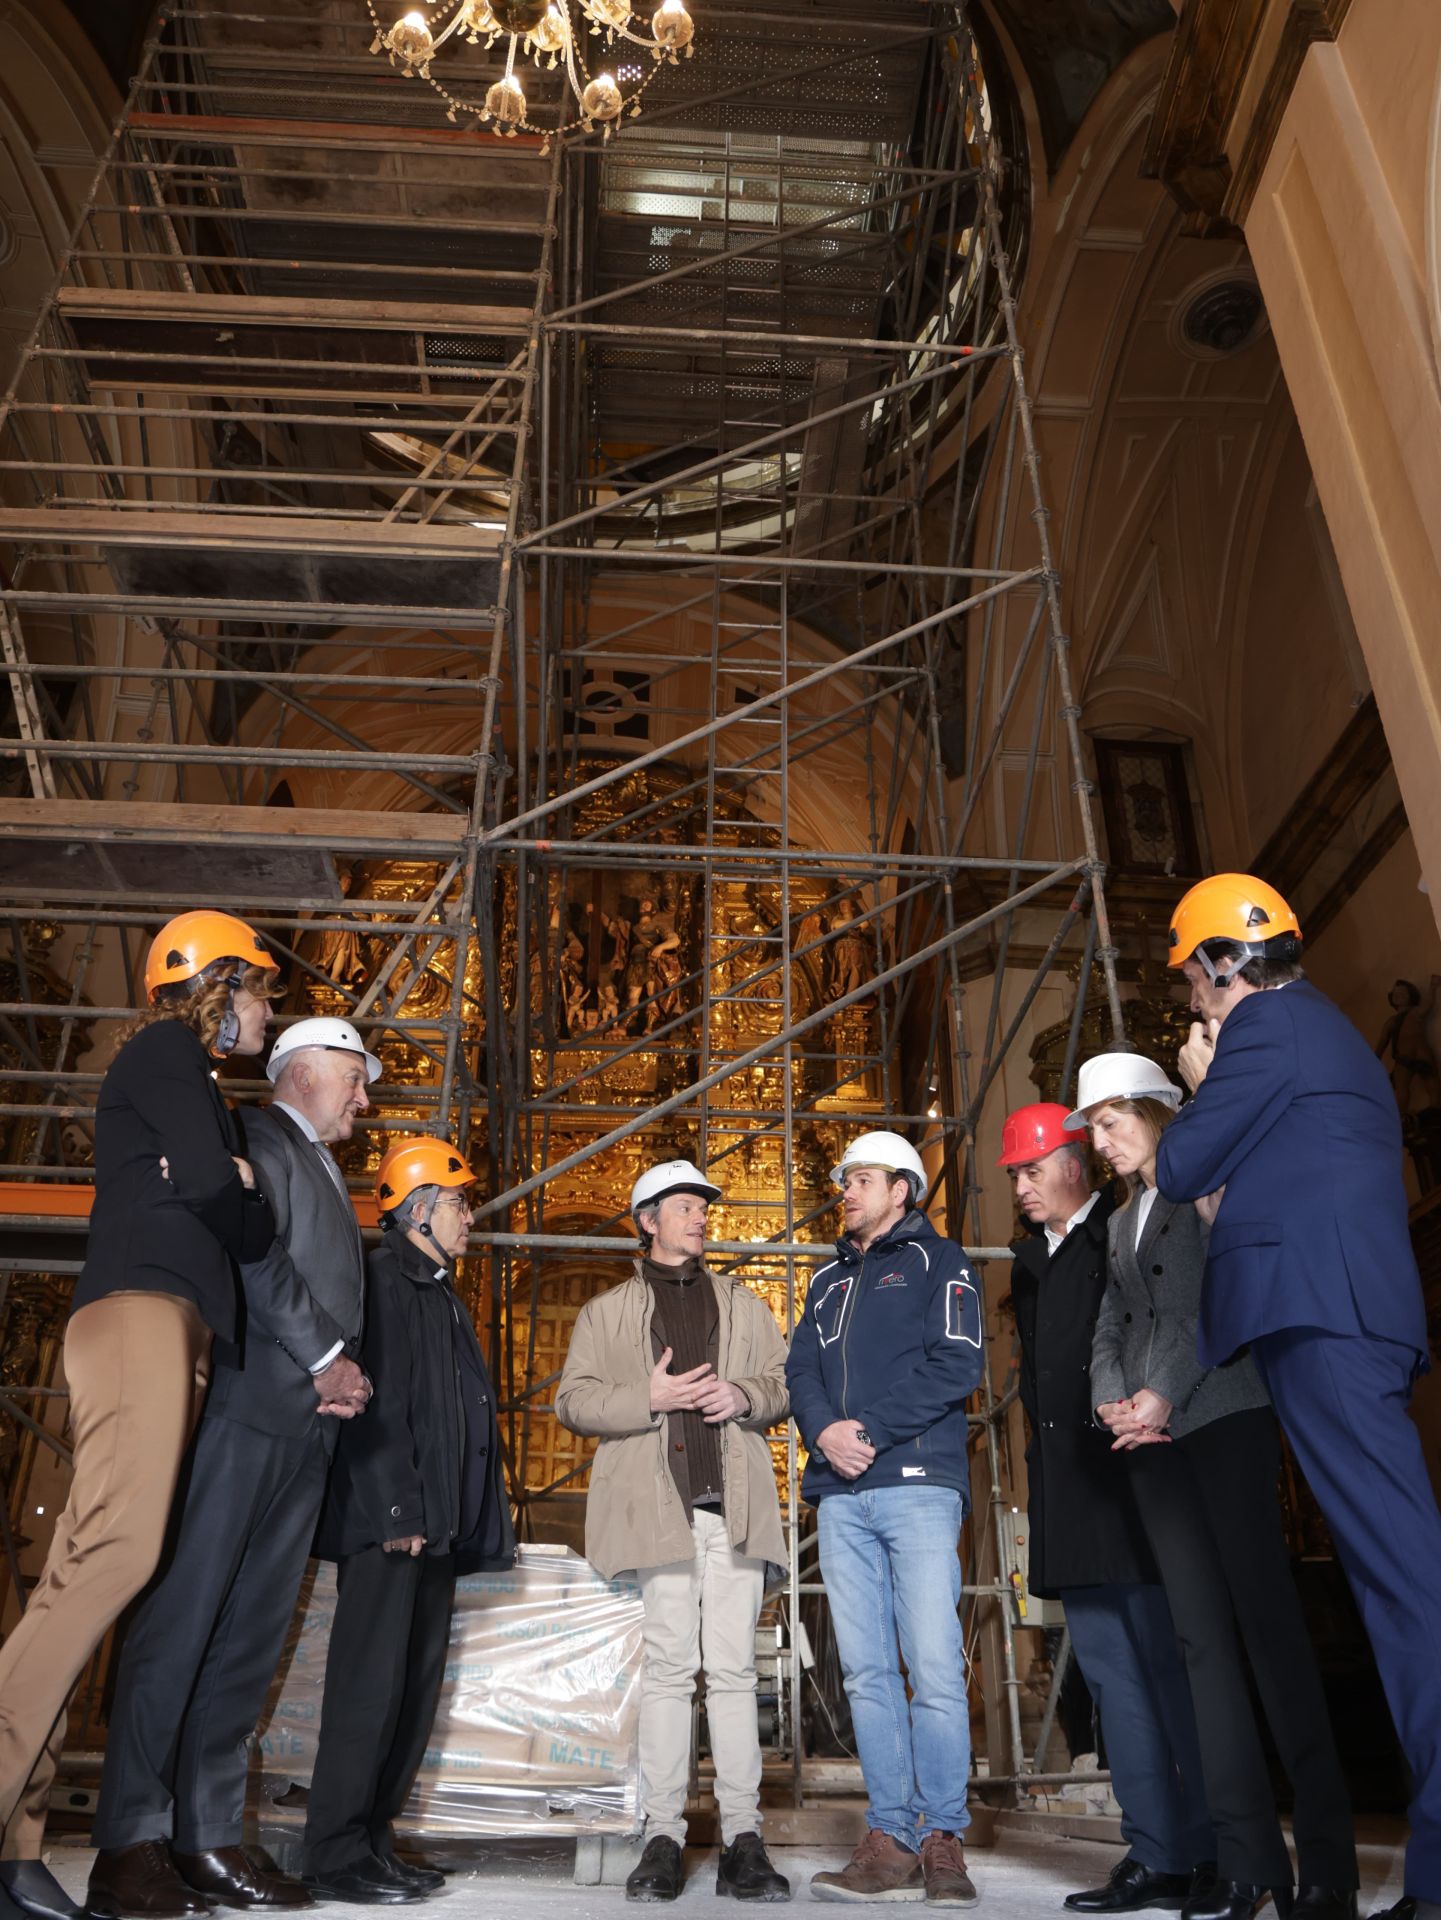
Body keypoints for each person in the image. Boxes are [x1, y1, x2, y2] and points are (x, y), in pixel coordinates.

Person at [1155, 873, 1441, 1920]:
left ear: (1228, 961)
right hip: (1330, 1317)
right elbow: (1251, 1188)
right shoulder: (1312, 1037)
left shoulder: (1267, 1031)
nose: (1190, 999)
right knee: (1394, 1581)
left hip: (1327, 1322)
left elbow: (1181, 1164)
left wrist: (1202, 1074)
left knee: (1405, 1586)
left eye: (1193, 975)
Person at [0, 912, 280, 1920]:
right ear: (220, 984)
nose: (269, 1008)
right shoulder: (164, 1053)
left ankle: (17, 1844)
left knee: (93, 1564)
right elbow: (230, 1204)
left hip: (172, 1322)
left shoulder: (197, 1089)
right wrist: (231, 1185)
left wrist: (233, 1189)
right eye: (261, 990)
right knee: (113, 1559)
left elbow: (234, 1208)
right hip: (140, 1317)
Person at [87, 1017, 380, 1917]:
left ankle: (205, 1836)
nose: (365, 1101)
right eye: (353, 1079)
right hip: (248, 1412)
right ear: (300, 1073)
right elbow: (257, 1263)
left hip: (302, 1427)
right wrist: (328, 1354)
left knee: (246, 1642)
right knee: (184, 1623)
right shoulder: (256, 1141)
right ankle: (127, 1841)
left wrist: (333, 1380)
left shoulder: (317, 1165)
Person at [1075, 1047, 1357, 1920]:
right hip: (1152, 1443)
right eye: (1092, 1128)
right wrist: (1111, 1401)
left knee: (1269, 1634)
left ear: (1156, 1112)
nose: (1101, 1143)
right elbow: (1109, 1322)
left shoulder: (1207, 1187)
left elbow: (1209, 1298)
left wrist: (1160, 1392)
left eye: (1112, 1123)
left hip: (1222, 1420)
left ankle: (1328, 1870)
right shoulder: (1120, 1221)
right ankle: (1247, 1866)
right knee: (1199, 1645)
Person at [555, 1159, 791, 1905]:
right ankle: (660, 1835)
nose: (699, 1217)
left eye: (702, 1207)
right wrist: (648, 1396)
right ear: (647, 1219)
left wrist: (744, 1394)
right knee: (666, 1672)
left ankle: (742, 1839)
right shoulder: (606, 1312)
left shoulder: (745, 1306)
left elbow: (784, 1384)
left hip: (732, 1509)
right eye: (685, 1206)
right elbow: (573, 1400)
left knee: (731, 1673)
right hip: (659, 1512)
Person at [999, 1099, 1213, 1915]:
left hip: (1133, 1478)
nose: (1021, 1184)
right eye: (1014, 1173)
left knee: (1168, 1673)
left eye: (1030, 1167)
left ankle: (1206, 1846)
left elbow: (1158, 1331)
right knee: (1114, 1683)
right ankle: (1153, 1851)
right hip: (1065, 1489)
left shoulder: (1120, 1233)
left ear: (1073, 1163)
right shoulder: (1029, 1262)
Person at [303, 1138, 514, 1905]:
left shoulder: (442, 1294)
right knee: (367, 1691)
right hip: (391, 1525)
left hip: (436, 1529)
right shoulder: (383, 1281)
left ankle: (372, 1841)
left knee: (410, 1693)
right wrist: (397, 1507)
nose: (469, 1217)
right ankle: (331, 1853)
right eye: (459, 1203)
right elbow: (375, 1407)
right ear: (419, 1208)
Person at [786, 1130, 983, 1909]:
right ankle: (892, 1835)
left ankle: (943, 1836)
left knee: (932, 1665)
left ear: (901, 1188)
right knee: (867, 1673)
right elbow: (800, 1368)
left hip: (916, 1486)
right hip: (841, 1494)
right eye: (843, 1180)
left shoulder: (941, 1263)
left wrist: (864, 1432)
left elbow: (957, 1363)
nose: (846, 1189)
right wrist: (823, 1433)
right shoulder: (828, 1280)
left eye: (861, 1178)